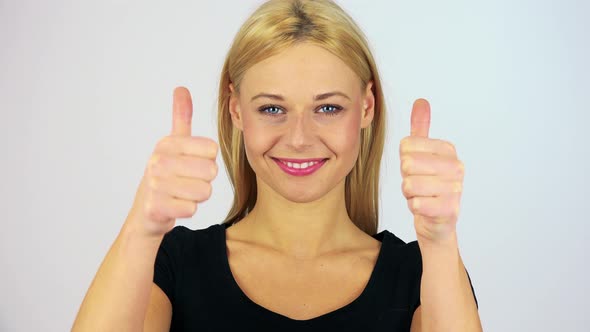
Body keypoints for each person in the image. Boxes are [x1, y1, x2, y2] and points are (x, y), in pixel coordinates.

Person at [72, 0, 482, 331]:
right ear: (236, 110)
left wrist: (441, 240)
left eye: (328, 107)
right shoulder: (173, 265)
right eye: (271, 107)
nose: (299, 137)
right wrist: (142, 229)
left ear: (366, 108)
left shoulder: (421, 274)